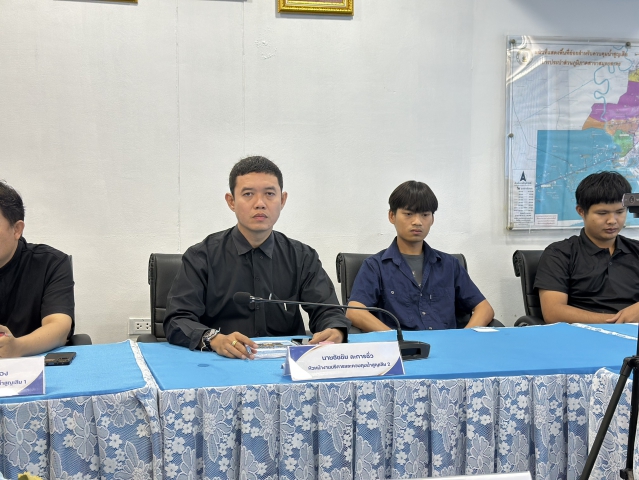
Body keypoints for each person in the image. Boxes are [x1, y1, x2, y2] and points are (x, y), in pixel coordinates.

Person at [164, 156, 350, 359]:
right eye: (248, 194)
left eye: (269, 194)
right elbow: (177, 320)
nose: (260, 204)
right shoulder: (202, 256)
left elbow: (328, 311)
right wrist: (215, 339)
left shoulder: (302, 257)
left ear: (282, 200)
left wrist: (335, 330)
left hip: (285, 363)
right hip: (221, 361)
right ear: (231, 201)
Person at [347, 180, 494, 332]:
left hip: (447, 344)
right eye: (408, 214)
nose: (417, 222)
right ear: (392, 216)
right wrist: (396, 338)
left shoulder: (450, 265)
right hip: (400, 345)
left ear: (432, 219)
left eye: (425, 215)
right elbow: (355, 311)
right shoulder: (375, 266)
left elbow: (484, 308)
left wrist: (464, 337)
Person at [535, 171, 639, 324]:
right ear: (581, 211)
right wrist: (621, 321)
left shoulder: (636, 250)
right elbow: (553, 313)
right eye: (602, 213)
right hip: (582, 334)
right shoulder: (559, 254)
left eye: (620, 212)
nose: (612, 220)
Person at [0, 181, 74, 358]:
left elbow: (58, 326)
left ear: (17, 229)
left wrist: (17, 348)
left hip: (33, 364)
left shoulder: (51, 263)